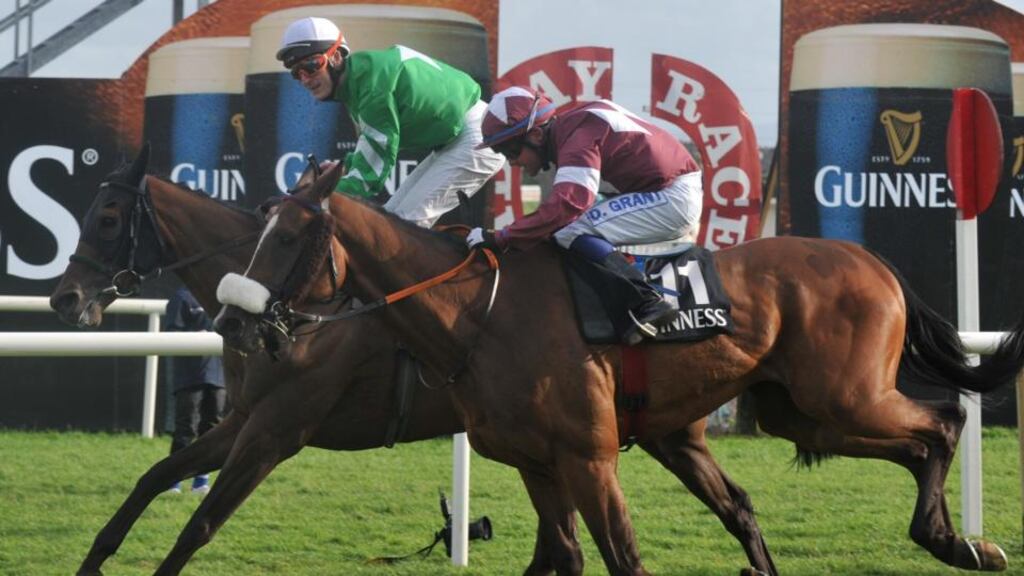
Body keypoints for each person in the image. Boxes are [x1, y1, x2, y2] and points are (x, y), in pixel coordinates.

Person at [466, 86, 704, 345]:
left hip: (672, 197)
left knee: (571, 230)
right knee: (568, 229)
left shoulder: (577, 134)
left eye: (510, 151)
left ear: (535, 134)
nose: (512, 163)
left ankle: (647, 299)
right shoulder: (574, 125)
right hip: (669, 190)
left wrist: (502, 237)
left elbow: (569, 203)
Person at [276, 16, 505, 228]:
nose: (305, 78)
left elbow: (368, 179)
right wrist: (344, 167)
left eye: (311, 66)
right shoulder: (361, 78)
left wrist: (310, 199)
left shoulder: (372, 88)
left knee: (401, 229)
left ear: (336, 56)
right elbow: (374, 146)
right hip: (460, 137)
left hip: (479, 138)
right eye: (296, 72)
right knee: (391, 218)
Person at [165, 287, 226, 494]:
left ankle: (201, 479)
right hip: (189, 375)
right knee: (186, 428)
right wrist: (194, 336)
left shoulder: (222, 298)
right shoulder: (182, 297)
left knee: (212, 428)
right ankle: (173, 479)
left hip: (218, 375)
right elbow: (170, 333)